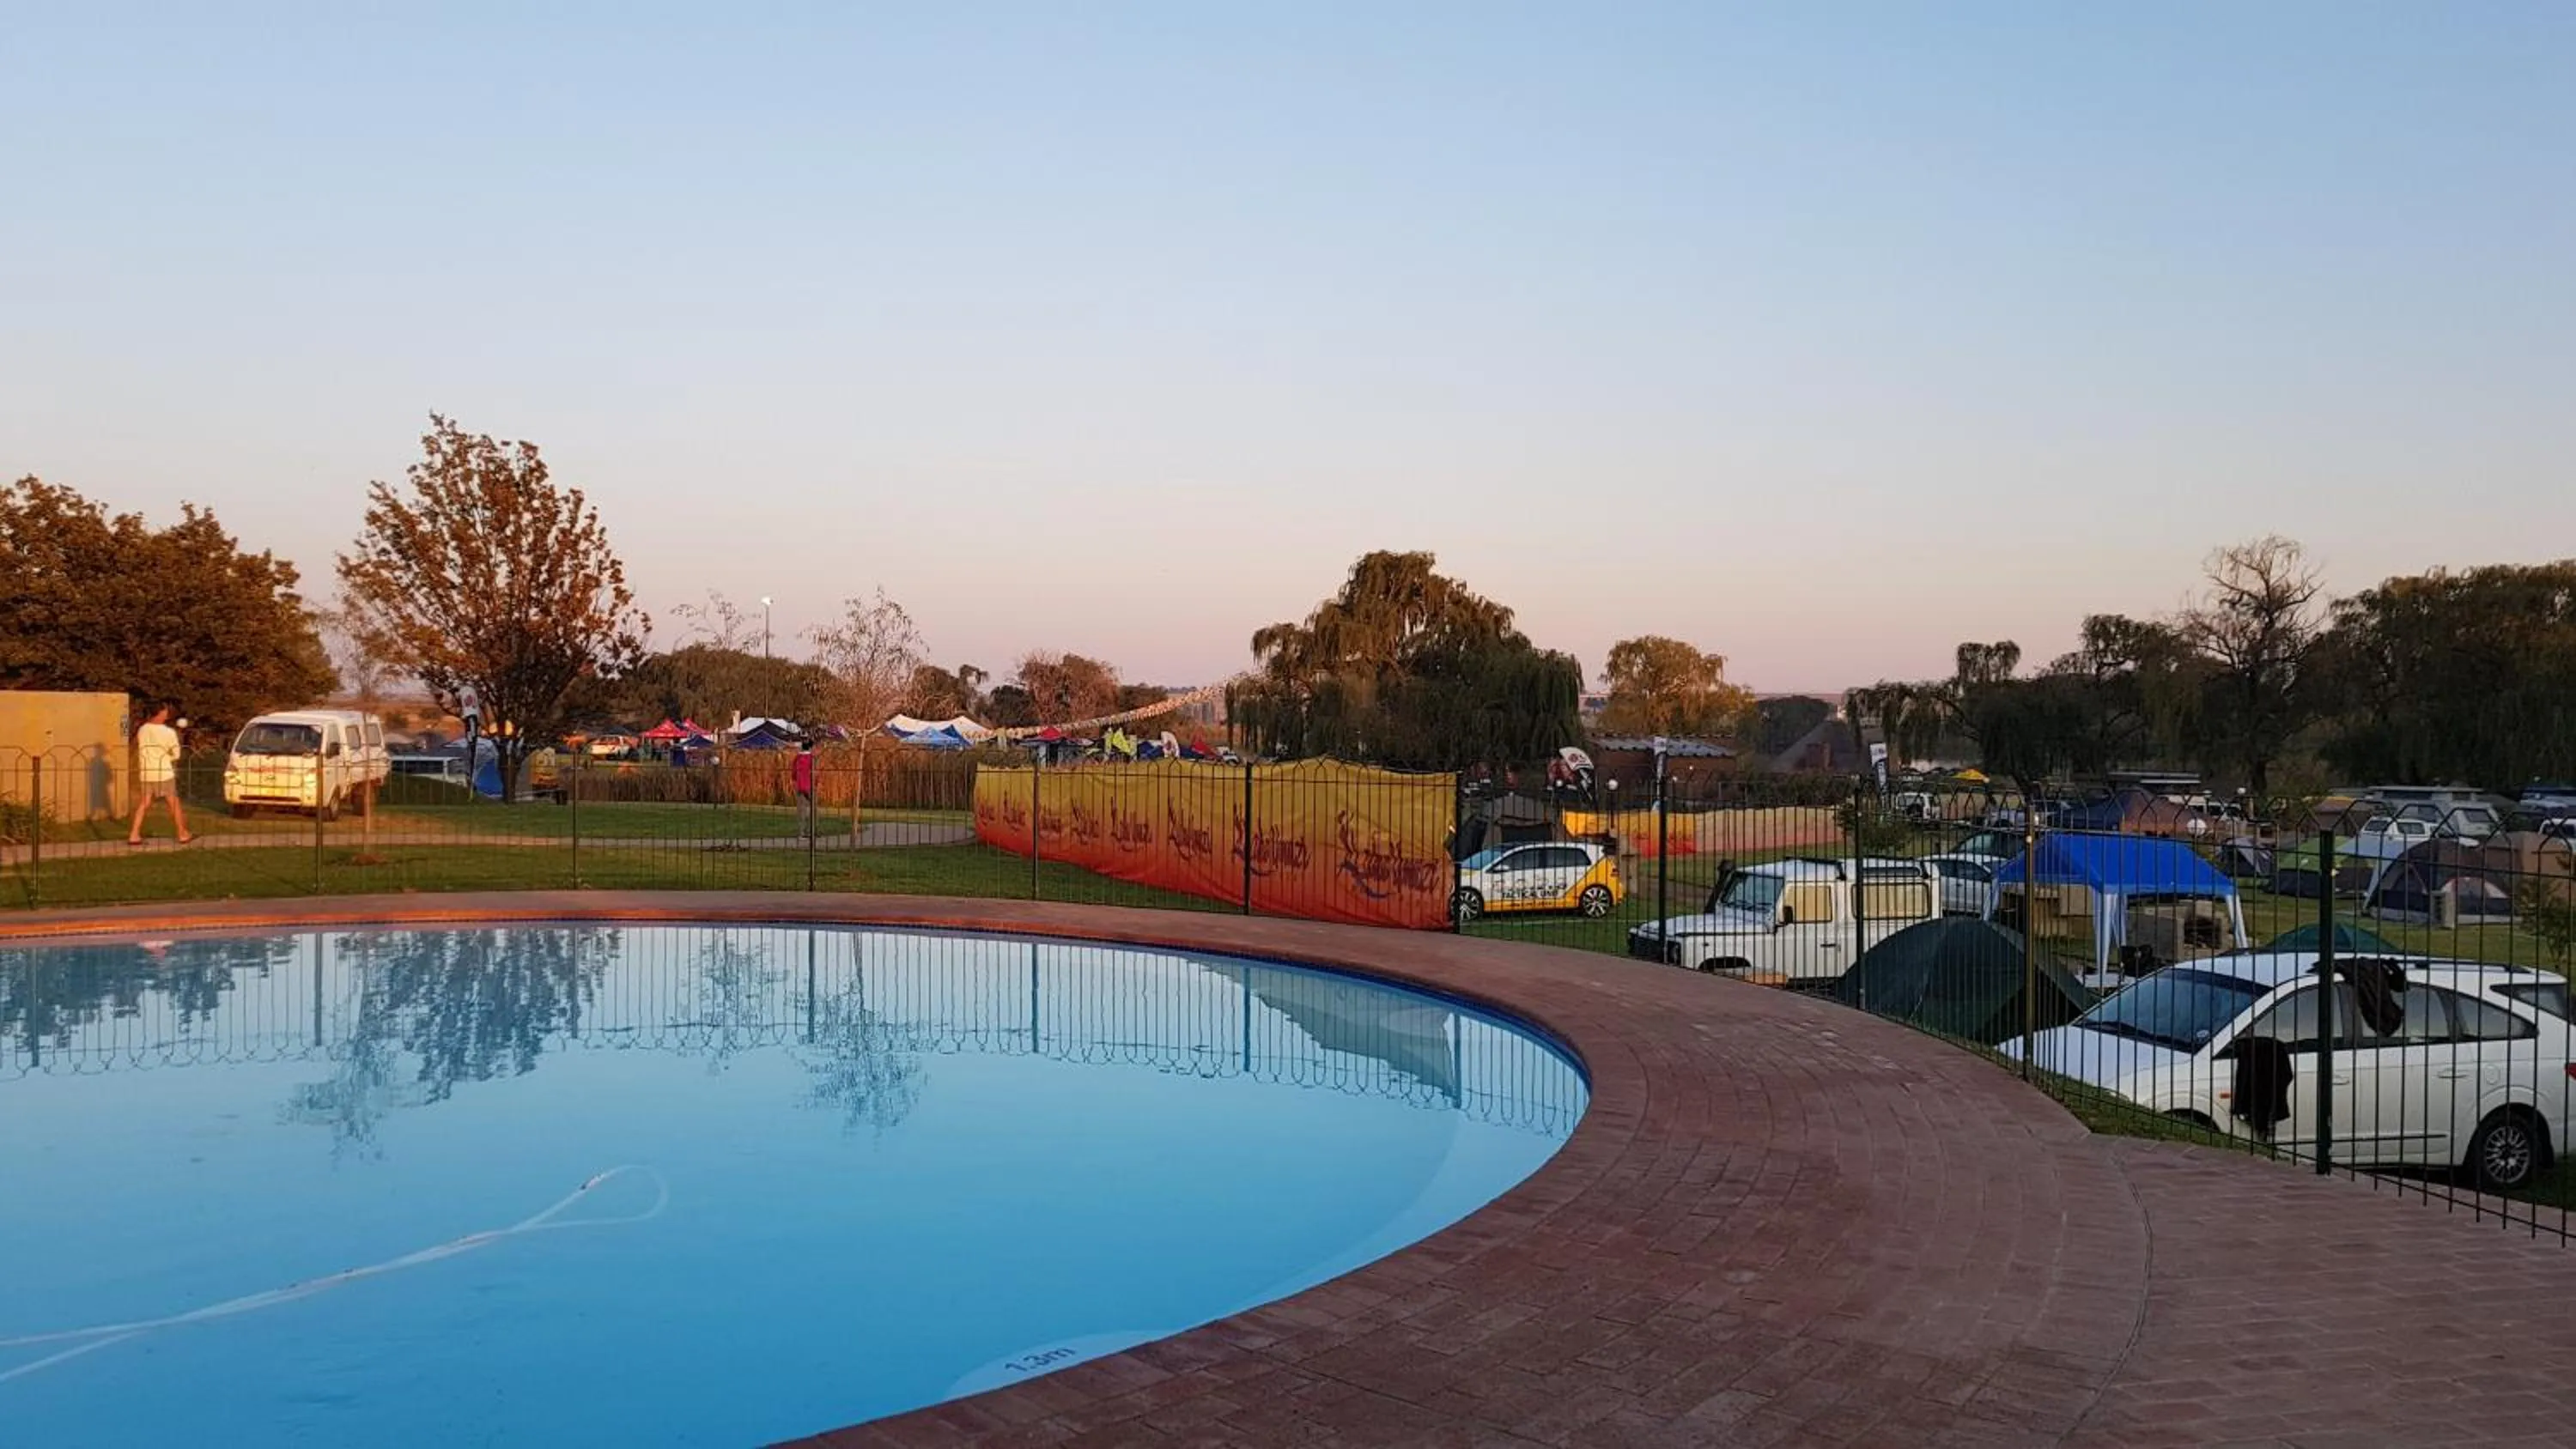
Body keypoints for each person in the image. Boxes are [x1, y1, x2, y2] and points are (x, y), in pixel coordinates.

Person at [127, 703, 193, 846]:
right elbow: (176, 755)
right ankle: (182, 833)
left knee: (145, 802)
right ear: (161, 713)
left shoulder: (143, 729)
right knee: (173, 802)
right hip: (163, 772)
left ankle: (134, 834)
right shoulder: (168, 732)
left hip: (146, 771)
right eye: (165, 711)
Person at [792, 740, 817, 837]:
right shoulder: (812, 758)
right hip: (809, 785)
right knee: (812, 809)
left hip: (799, 785)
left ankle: (801, 833)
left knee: (801, 809)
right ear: (810, 747)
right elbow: (815, 772)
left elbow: (793, 773)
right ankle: (812, 831)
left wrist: (795, 780)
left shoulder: (797, 758)